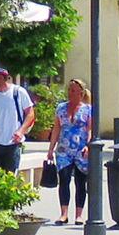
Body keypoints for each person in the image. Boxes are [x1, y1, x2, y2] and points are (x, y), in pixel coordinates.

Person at [50, 79, 93, 226]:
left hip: (81, 150)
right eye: (69, 90)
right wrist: (50, 149)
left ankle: (79, 215)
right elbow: (56, 128)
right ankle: (63, 214)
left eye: (73, 90)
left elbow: (90, 129)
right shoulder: (61, 108)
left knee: (80, 182)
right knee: (64, 180)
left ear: (81, 93)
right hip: (64, 150)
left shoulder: (87, 109)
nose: (70, 93)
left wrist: (88, 145)